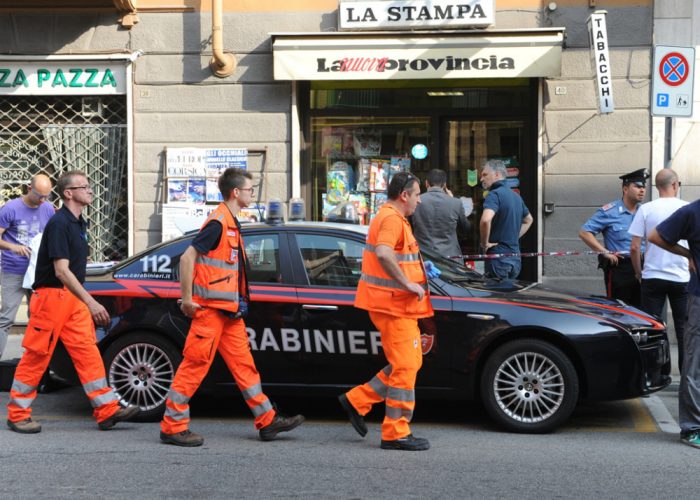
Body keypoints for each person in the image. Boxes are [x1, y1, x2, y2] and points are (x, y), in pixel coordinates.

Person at [160, 167, 304, 447]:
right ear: (236, 193)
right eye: (250, 190)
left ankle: (267, 420)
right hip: (210, 313)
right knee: (194, 367)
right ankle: (172, 426)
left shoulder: (229, 222)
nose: (252, 193)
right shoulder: (217, 223)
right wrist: (187, 299)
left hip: (228, 313)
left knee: (244, 367)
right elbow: (187, 258)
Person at [6, 171, 139, 433]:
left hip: (71, 298)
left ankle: (107, 410)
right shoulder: (59, 224)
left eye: (89, 187)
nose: (90, 191)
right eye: (84, 187)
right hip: (52, 298)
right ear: (69, 193)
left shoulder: (79, 224)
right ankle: (18, 414)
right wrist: (91, 302)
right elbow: (61, 271)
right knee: (37, 355)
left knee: (87, 352)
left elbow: (73, 267)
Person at [338, 172, 434, 451]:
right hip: (393, 305)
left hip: (397, 305)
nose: (418, 201)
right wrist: (407, 284)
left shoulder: (393, 217)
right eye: (417, 195)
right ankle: (395, 432)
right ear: (404, 195)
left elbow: (392, 256)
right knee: (405, 367)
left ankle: (358, 400)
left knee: (411, 361)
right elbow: (383, 252)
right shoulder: (392, 218)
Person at [648, 200, 700, 449]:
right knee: (694, 365)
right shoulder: (692, 211)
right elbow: (655, 235)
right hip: (698, 299)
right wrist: (688, 254)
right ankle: (692, 428)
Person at [628, 169, 688, 370]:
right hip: (682, 277)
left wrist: (639, 272)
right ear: (675, 184)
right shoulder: (687, 209)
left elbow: (635, 247)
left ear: (656, 186)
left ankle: (655, 374)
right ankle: (686, 377)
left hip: (653, 276)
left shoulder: (646, 209)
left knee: (652, 329)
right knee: (684, 329)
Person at [0, 174, 55, 359]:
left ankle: (33, 362)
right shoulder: (10, 208)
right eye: (40, 195)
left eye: (46, 196)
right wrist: (13, 247)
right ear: (29, 188)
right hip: (13, 270)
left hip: (38, 272)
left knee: (38, 318)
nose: (43, 200)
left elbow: (51, 237)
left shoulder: (47, 208)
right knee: (6, 318)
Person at [579, 168, 648, 307]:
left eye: (644, 187)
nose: (642, 190)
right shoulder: (610, 211)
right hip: (620, 268)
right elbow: (584, 232)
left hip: (644, 265)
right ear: (625, 189)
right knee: (618, 310)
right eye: (637, 186)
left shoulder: (645, 212)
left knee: (643, 311)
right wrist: (605, 252)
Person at [479, 159, 533, 279]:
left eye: (485, 174)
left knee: (496, 297)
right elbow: (529, 220)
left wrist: (485, 243)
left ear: (497, 174)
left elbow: (485, 220)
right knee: (508, 297)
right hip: (515, 260)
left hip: (498, 259)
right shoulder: (516, 196)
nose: (481, 179)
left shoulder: (494, 194)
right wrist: (513, 236)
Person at [412, 168, 470, 259]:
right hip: (450, 258)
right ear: (444, 185)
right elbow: (466, 228)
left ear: (426, 183)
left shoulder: (415, 201)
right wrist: (453, 200)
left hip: (422, 257)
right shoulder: (456, 203)